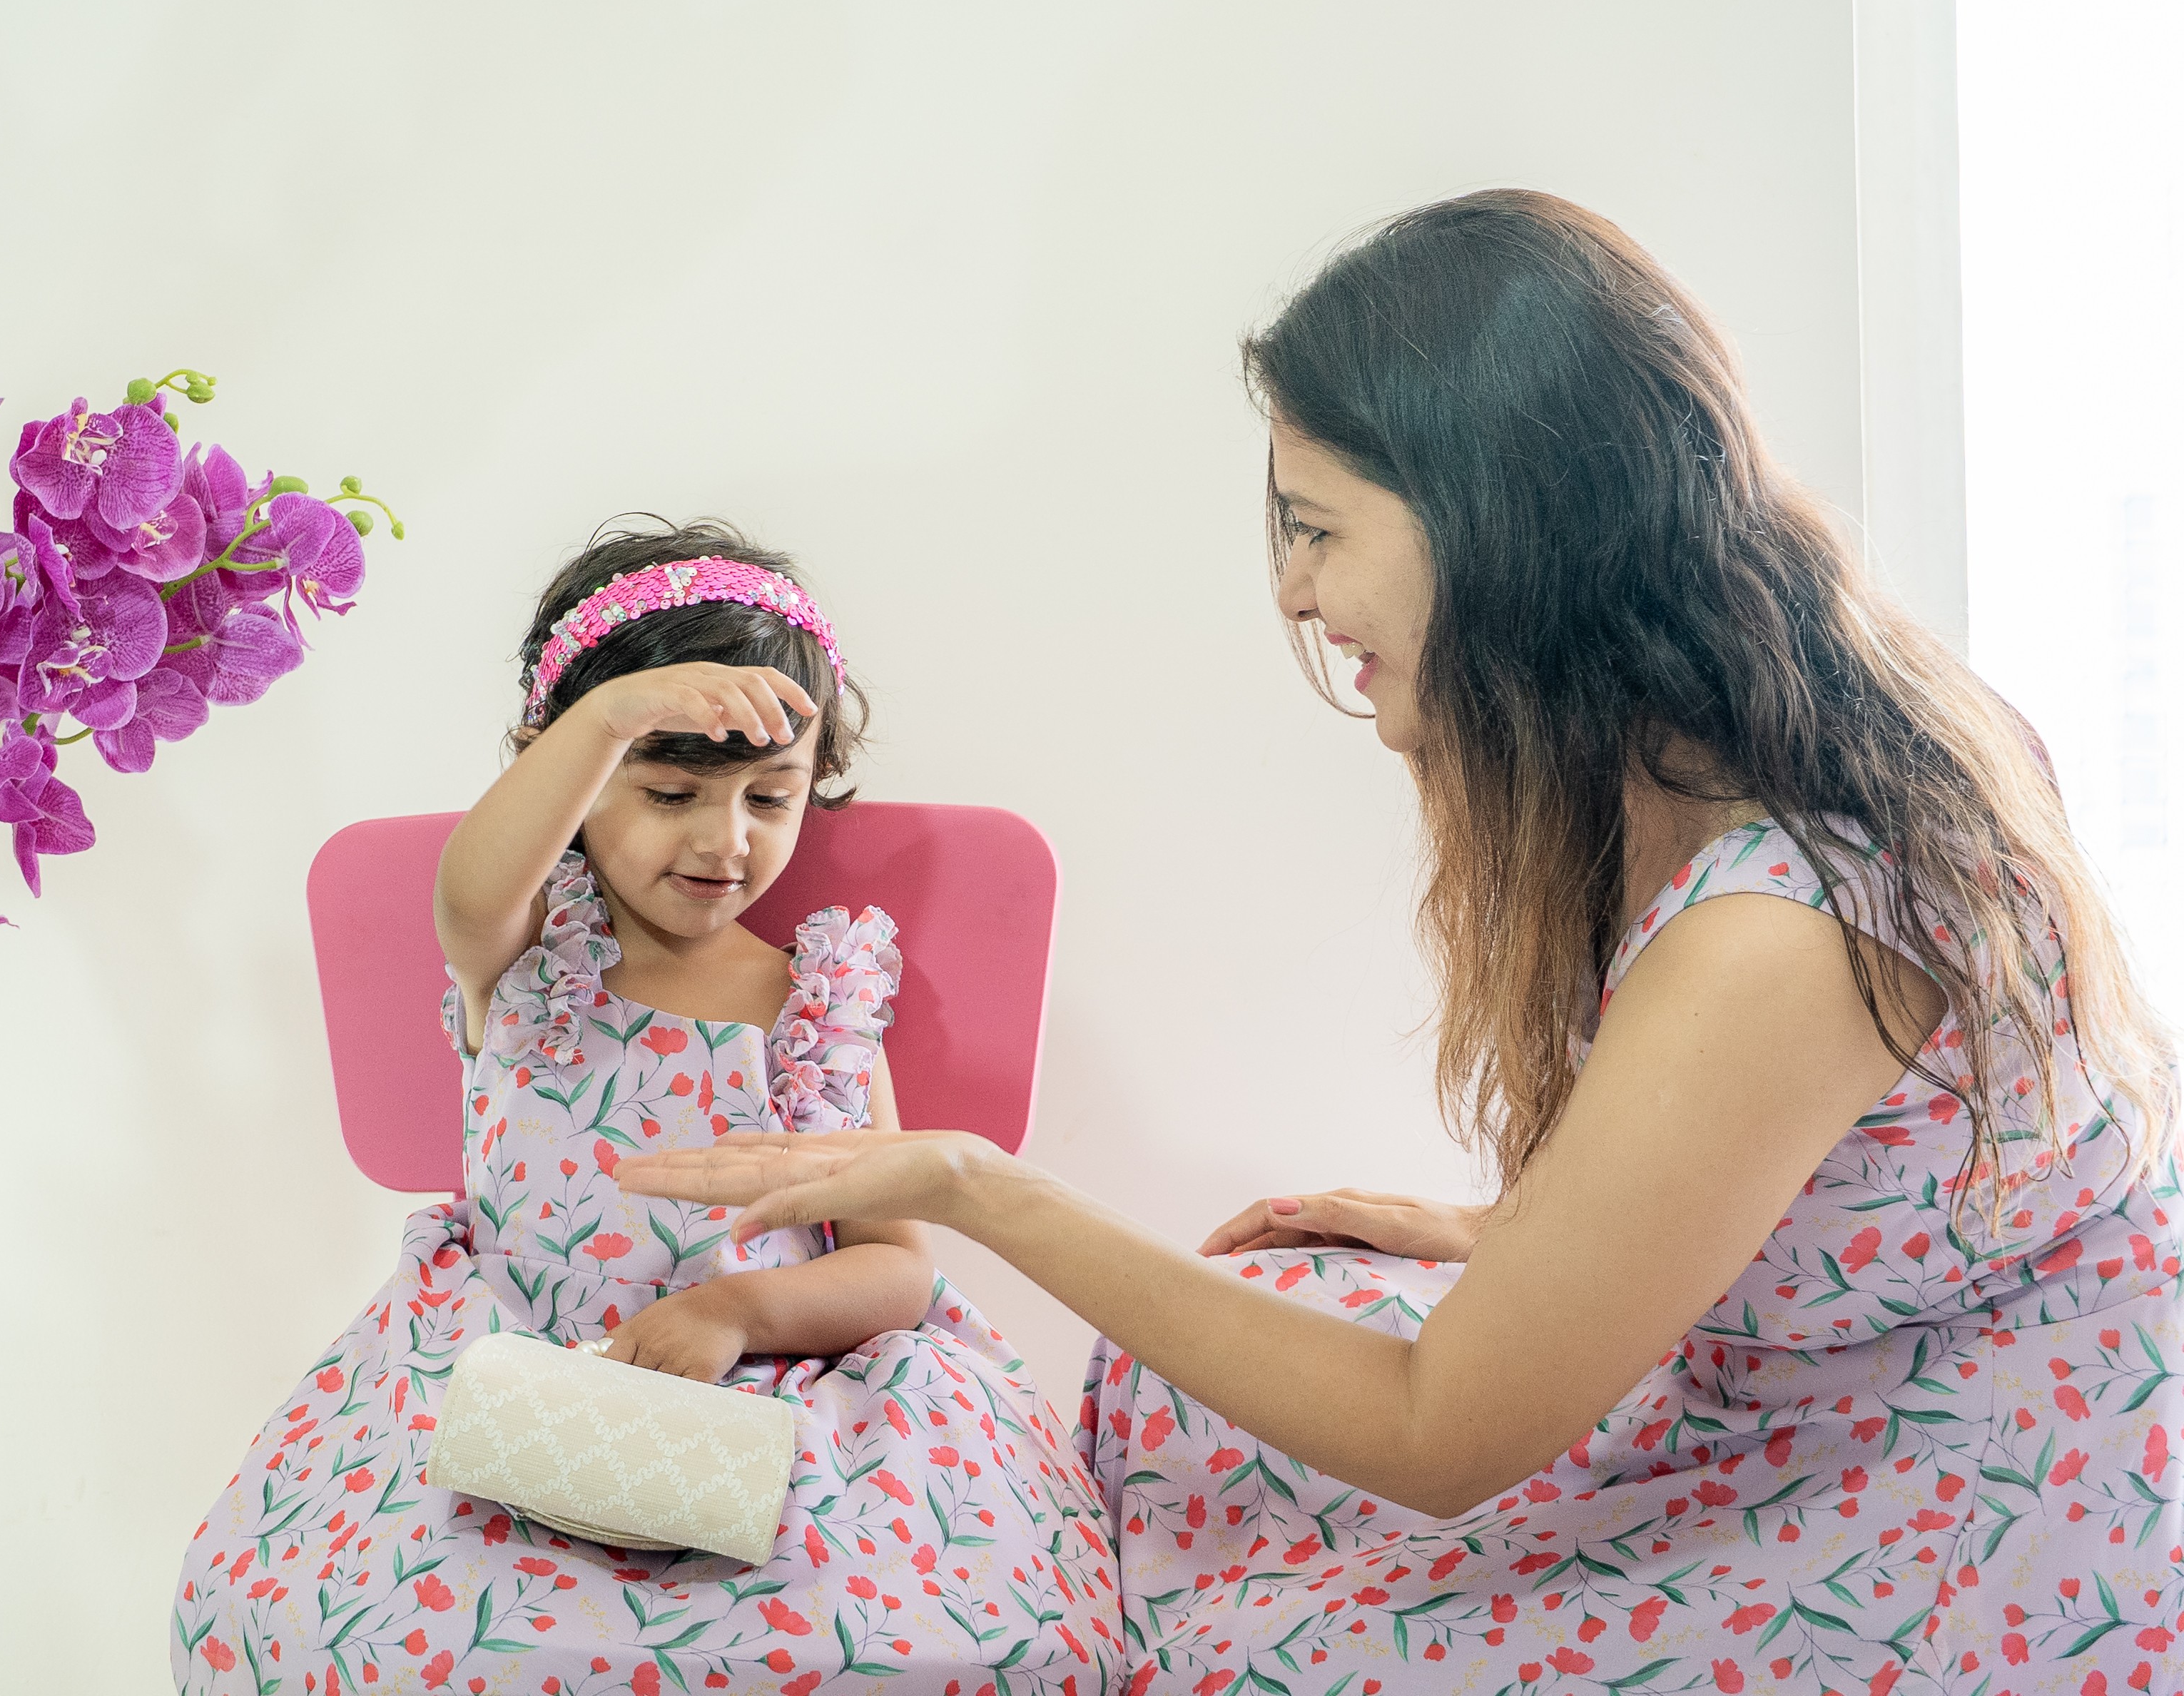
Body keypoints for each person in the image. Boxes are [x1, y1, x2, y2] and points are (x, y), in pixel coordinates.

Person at [623, 194, 2184, 1696]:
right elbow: (1812, 1177)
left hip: (1970, 1490)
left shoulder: (1776, 932)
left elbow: (1440, 1439)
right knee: (1173, 1413)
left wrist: (979, 1188)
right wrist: (1510, 1235)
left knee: (1247, 1652)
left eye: (1318, 530)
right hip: (1827, 1368)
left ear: (1497, 522)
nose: (1297, 592)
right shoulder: (1747, 735)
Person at [174, 522, 1122, 1696]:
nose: (726, 842)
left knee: (902, 1640)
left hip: (766, 1403)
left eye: (771, 798)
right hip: (512, 1379)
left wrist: (736, 1310)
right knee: (337, 1633)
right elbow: (474, 880)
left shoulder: (813, 1008)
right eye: (671, 792)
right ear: (563, 770)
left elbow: (899, 1272)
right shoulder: (520, 956)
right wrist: (608, 716)